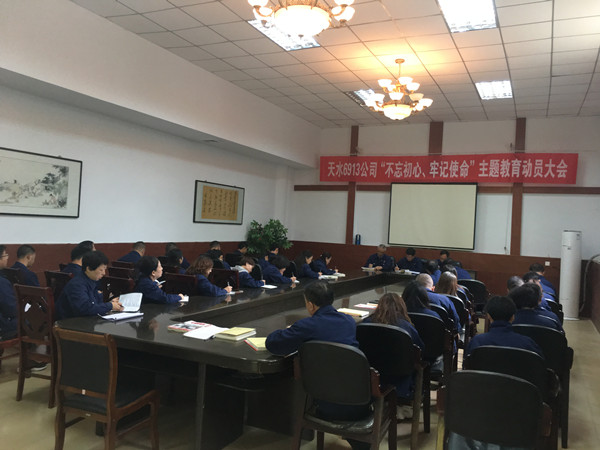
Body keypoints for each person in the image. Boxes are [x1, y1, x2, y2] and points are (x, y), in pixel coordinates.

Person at [266, 281, 369, 450]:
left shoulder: (307, 326)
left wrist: (289, 330)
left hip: (322, 399)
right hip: (358, 398)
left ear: (310, 305)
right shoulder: (349, 321)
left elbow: (273, 344)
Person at [362, 292, 424, 400]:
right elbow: (420, 349)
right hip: (400, 378)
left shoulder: (365, 324)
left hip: (371, 379)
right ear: (402, 307)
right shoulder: (406, 326)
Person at [465, 296, 543, 358]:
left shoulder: (477, 342)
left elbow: (468, 366)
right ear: (513, 317)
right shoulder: (528, 344)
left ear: (488, 316)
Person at [55, 251, 123, 320]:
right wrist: (110, 306)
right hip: (70, 322)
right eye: (101, 270)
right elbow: (85, 309)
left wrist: (111, 303)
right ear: (88, 269)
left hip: (84, 319)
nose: (104, 273)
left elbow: (95, 304)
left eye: (105, 269)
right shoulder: (77, 285)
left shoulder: (90, 280)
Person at [0, 245, 17, 340]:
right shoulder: (2, 282)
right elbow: (12, 310)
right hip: (3, 326)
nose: (7, 258)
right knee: (31, 320)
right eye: (5, 255)